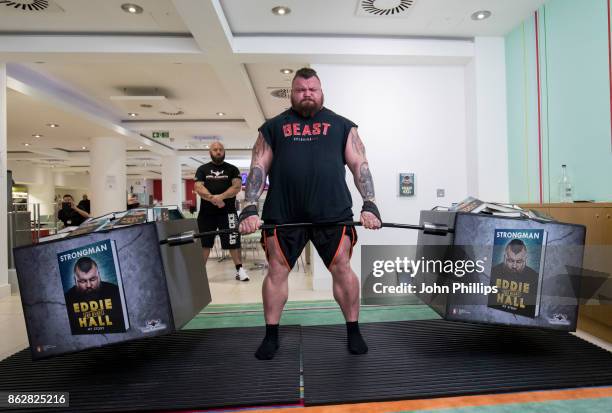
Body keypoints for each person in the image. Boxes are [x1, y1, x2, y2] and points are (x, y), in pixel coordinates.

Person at [239, 67, 382, 360]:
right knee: (277, 272)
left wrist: (369, 202)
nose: (307, 94)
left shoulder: (342, 125)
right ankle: (271, 335)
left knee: (342, 268)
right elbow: (258, 166)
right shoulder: (273, 127)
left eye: (312, 89)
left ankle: (353, 330)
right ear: (292, 92)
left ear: (321, 92)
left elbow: (360, 165)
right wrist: (249, 206)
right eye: (301, 90)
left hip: (332, 212)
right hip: (283, 213)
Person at [194, 141, 249, 281]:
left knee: (233, 241)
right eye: (215, 149)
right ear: (210, 152)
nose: (218, 152)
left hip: (228, 212)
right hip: (206, 214)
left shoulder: (232, 169)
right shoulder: (202, 169)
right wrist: (213, 198)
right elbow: (198, 187)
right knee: (204, 243)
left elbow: (236, 187)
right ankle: (199, 272)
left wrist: (221, 197)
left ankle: (240, 270)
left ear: (224, 151)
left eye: (220, 149)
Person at [64, 257, 126, 332]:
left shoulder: (116, 292)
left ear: (99, 276)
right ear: (75, 280)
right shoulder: (67, 300)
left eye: (93, 279)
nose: (89, 285)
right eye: (83, 281)